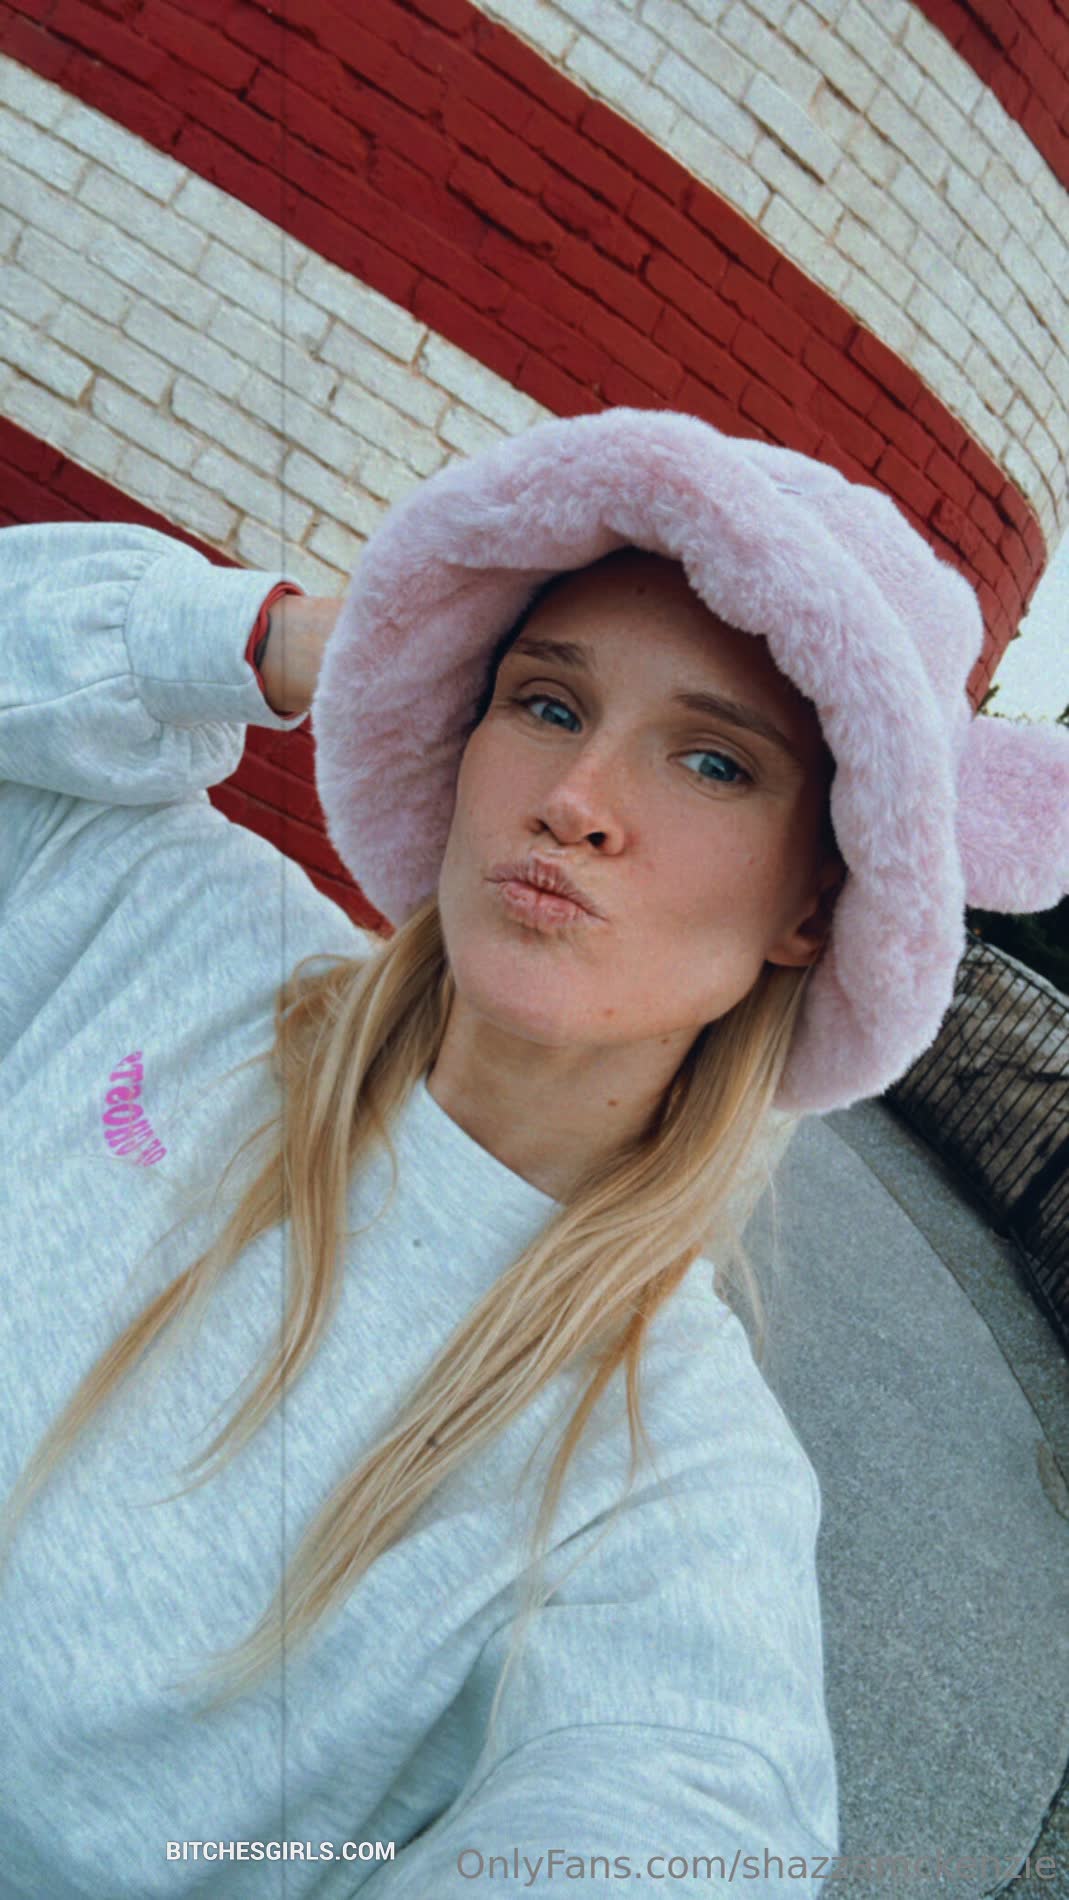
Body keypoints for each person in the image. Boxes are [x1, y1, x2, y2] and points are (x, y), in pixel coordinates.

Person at [0, 407, 1064, 1900]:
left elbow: (689, 1808)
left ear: (812, 908)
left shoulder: (668, 1472)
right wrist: (301, 641)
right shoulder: (168, 929)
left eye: (712, 762)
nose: (574, 803)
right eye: (547, 705)